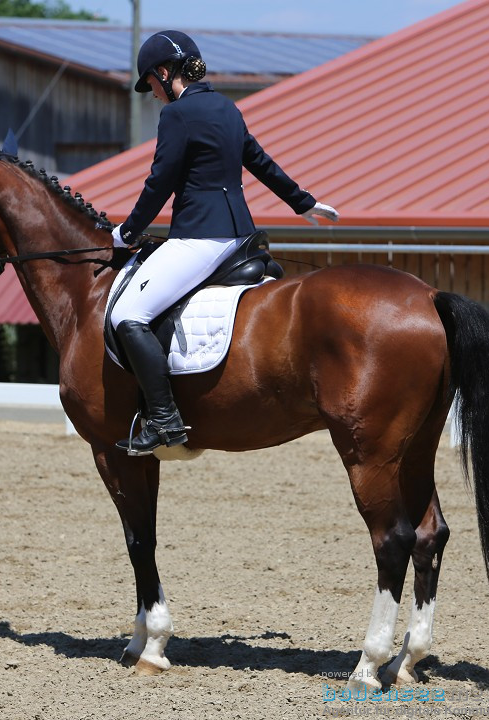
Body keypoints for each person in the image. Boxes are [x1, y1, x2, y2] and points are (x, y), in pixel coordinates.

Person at [110, 30, 339, 456]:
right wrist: (303, 203)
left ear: (164, 73)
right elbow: (258, 160)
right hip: (242, 236)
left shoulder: (176, 116)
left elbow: (160, 182)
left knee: (128, 313)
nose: (153, 96)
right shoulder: (226, 107)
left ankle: (164, 420)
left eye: (152, 86)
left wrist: (126, 231)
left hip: (201, 237)